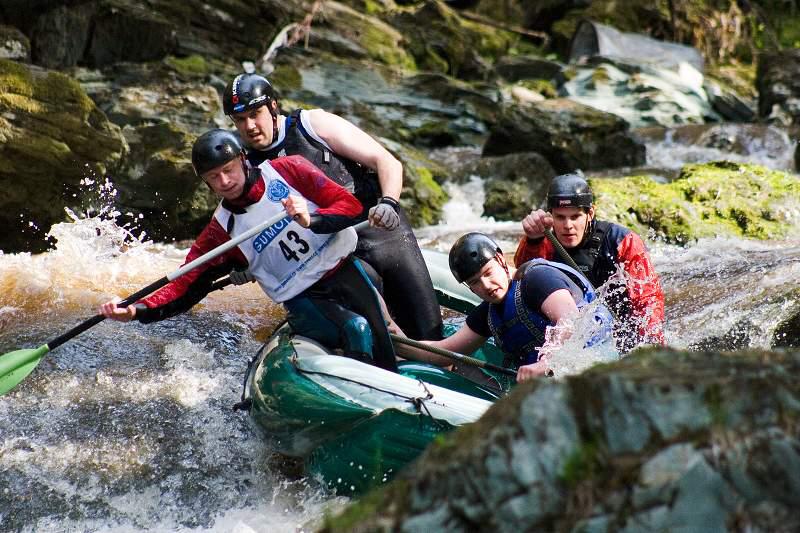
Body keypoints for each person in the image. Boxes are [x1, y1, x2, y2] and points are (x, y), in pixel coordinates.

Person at [99, 129, 397, 371]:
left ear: (243, 160)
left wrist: (312, 219)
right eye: (213, 177)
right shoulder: (221, 230)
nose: (224, 181)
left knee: (383, 342)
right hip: (303, 297)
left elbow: (349, 206)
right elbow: (184, 284)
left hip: (345, 272)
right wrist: (136, 310)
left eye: (228, 170)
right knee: (357, 329)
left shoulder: (288, 170)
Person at [222, 73, 443, 341]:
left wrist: (389, 202)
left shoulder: (312, 124)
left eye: (255, 114)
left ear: (273, 106)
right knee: (379, 336)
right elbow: (251, 233)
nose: (250, 126)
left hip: (383, 233)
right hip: (337, 258)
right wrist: (247, 265)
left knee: (430, 331)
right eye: (240, 119)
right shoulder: (246, 169)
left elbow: (387, 162)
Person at [391, 233, 613, 382]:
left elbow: (569, 320)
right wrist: (393, 339)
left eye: (488, 273)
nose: (486, 285)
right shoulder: (488, 313)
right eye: (475, 282)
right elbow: (443, 353)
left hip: (599, 367)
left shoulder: (537, 279)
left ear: (500, 260)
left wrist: (545, 363)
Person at [514, 173, 665, 353]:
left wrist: (651, 347)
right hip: (567, 332)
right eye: (560, 217)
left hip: (618, 334)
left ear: (590, 213)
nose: (567, 225)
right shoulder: (544, 241)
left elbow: (648, 300)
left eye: (575, 216)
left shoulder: (622, 241)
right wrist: (532, 240)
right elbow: (523, 282)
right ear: (551, 215)